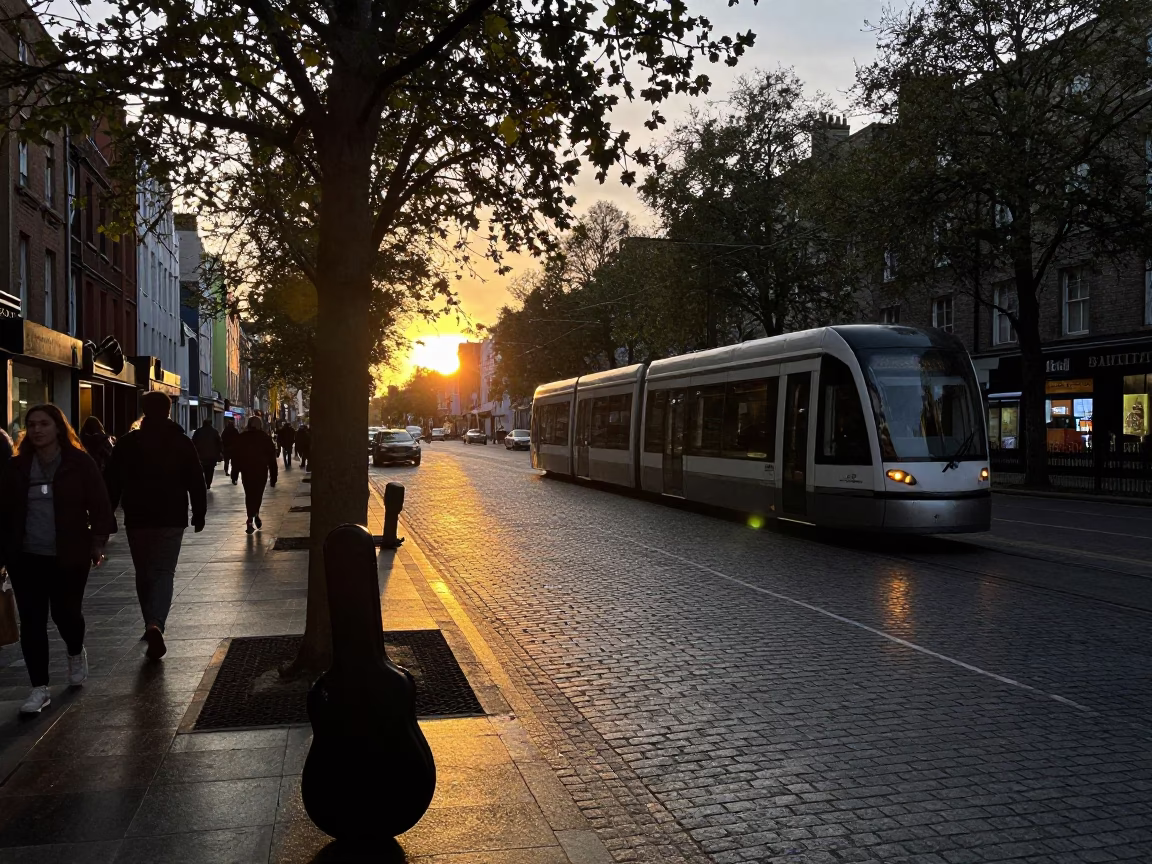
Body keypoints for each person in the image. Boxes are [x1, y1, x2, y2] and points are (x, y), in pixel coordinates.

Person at [0, 404, 115, 713]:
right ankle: (39, 688)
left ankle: (75, 651)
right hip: (26, 558)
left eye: (44, 424)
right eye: (32, 424)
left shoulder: (79, 463)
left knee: (67, 615)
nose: (37, 430)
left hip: (69, 555)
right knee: (32, 622)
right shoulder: (17, 466)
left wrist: (98, 541)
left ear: (58, 428)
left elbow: (100, 505)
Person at [106, 391, 207, 661]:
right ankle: (156, 623)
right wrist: (199, 513)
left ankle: (149, 621)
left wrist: (106, 516)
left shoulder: (128, 443)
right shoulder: (181, 440)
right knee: (164, 571)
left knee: (144, 571)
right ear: (169, 410)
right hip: (172, 516)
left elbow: (112, 480)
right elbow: (196, 479)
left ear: (144, 411)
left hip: (138, 516)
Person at [231, 416, 278, 534]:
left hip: (246, 471)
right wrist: (273, 476)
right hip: (260, 471)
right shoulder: (265, 438)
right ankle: (255, 514)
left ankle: (250, 517)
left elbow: (236, 457)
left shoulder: (242, 438)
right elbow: (272, 459)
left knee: (249, 494)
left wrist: (234, 474)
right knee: (258, 494)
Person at [191, 417, 223, 489]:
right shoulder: (215, 432)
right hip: (212, 455)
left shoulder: (198, 431)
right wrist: (220, 452)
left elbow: (193, 442)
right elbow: (219, 443)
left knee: (203, 469)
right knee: (210, 470)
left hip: (201, 455)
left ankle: (205, 481)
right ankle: (208, 482)